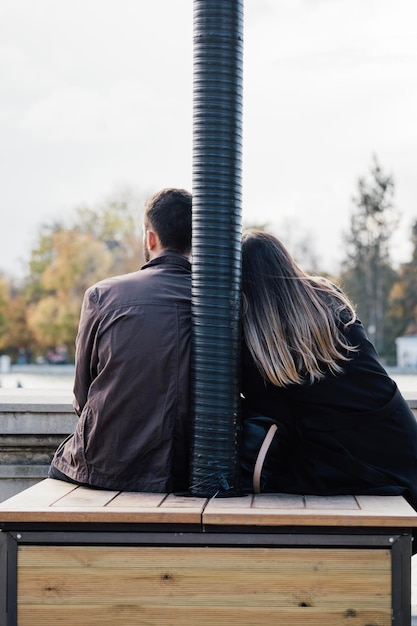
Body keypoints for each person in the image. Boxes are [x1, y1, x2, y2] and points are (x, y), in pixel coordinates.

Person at [240, 229, 417, 511]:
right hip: (403, 448)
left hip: (354, 471)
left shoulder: (259, 349)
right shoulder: (330, 301)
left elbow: (275, 419)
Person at [49, 188, 192, 493]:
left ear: (150, 239)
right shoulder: (222, 302)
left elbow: (82, 392)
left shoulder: (103, 296)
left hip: (103, 467)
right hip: (188, 471)